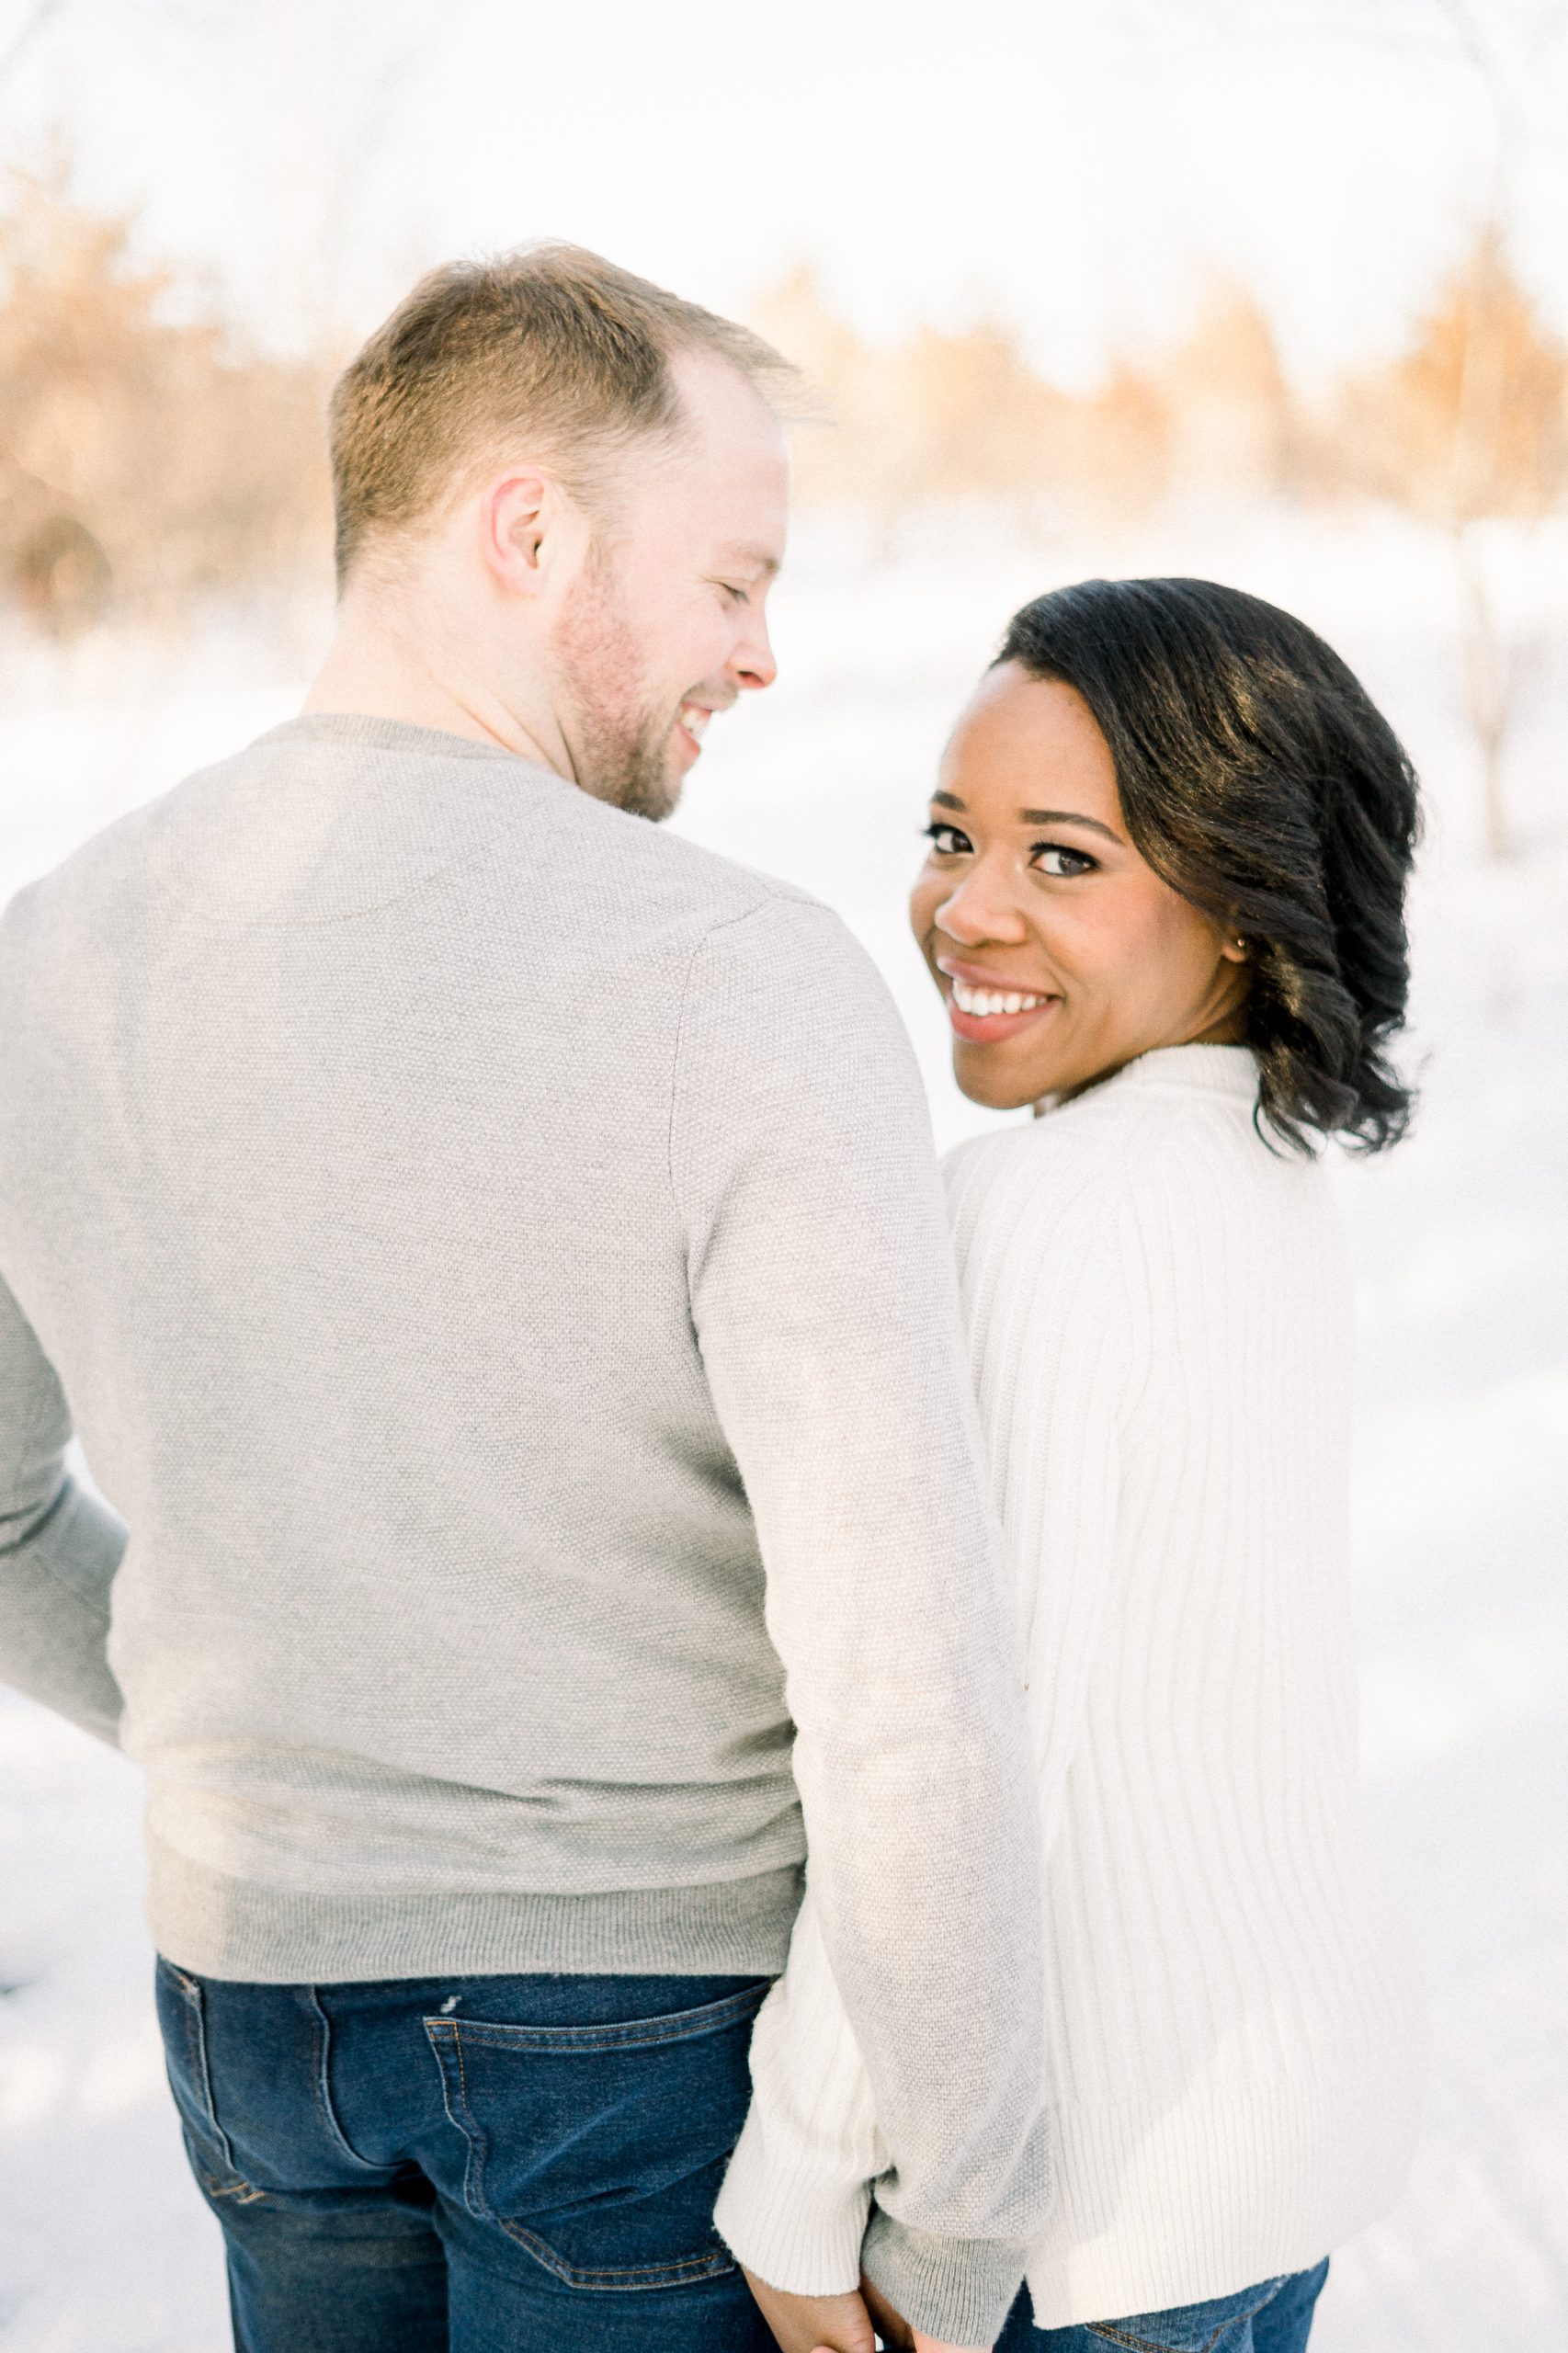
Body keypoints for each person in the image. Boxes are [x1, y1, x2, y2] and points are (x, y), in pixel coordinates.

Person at [0, 246, 1051, 2353]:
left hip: (247, 2006)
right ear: (527, 526)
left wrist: (278, 1740)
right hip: (640, 2048)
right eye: (734, 578)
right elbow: (896, 1666)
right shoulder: (731, 979)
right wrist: (959, 2203)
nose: (762, 653)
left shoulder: (52, 952)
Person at [718, 577, 1427, 2353]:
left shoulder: (1041, 1212)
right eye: (953, 834)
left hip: (1098, 2225)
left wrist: (804, 2173)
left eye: (1064, 859)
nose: (963, 907)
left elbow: (956, 1744)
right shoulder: (1254, 1172)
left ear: (1246, 902)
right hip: (1270, 2157)